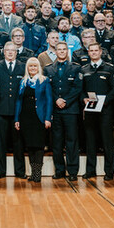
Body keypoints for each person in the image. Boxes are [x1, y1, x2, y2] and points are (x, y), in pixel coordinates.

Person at [81, 42, 114, 180]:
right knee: (90, 141)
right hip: (89, 110)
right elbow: (80, 89)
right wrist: (83, 99)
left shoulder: (109, 69)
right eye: (91, 51)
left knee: (107, 142)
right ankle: (90, 170)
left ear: (101, 52)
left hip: (105, 110)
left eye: (96, 50)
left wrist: (105, 101)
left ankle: (109, 171)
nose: (94, 53)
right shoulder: (84, 69)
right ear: (88, 53)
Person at [14, 58, 53, 182]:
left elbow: (49, 100)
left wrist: (47, 118)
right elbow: (19, 101)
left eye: (35, 66)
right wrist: (17, 118)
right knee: (30, 146)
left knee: (38, 145)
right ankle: (33, 174)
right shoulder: (23, 82)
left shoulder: (44, 81)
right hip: (25, 117)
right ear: (27, 68)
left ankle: (37, 174)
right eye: (30, 66)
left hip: (39, 118)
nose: (32, 68)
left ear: (38, 67)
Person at [47, 42, 81, 179]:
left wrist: (65, 100)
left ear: (68, 51)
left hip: (71, 110)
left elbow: (77, 88)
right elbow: (48, 89)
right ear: (55, 52)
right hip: (55, 110)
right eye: (59, 49)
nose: (61, 52)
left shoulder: (75, 68)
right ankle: (59, 170)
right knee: (57, 141)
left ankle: (72, 171)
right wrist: (56, 100)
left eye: (64, 49)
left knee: (72, 141)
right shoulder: (48, 69)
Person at [0, 43, 25, 178]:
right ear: (3, 52)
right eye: (8, 51)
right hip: (0, 109)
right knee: (1, 142)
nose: (10, 53)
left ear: (17, 52)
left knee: (18, 142)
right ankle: (0, 171)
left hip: (18, 111)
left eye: (13, 51)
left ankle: (20, 171)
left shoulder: (23, 66)